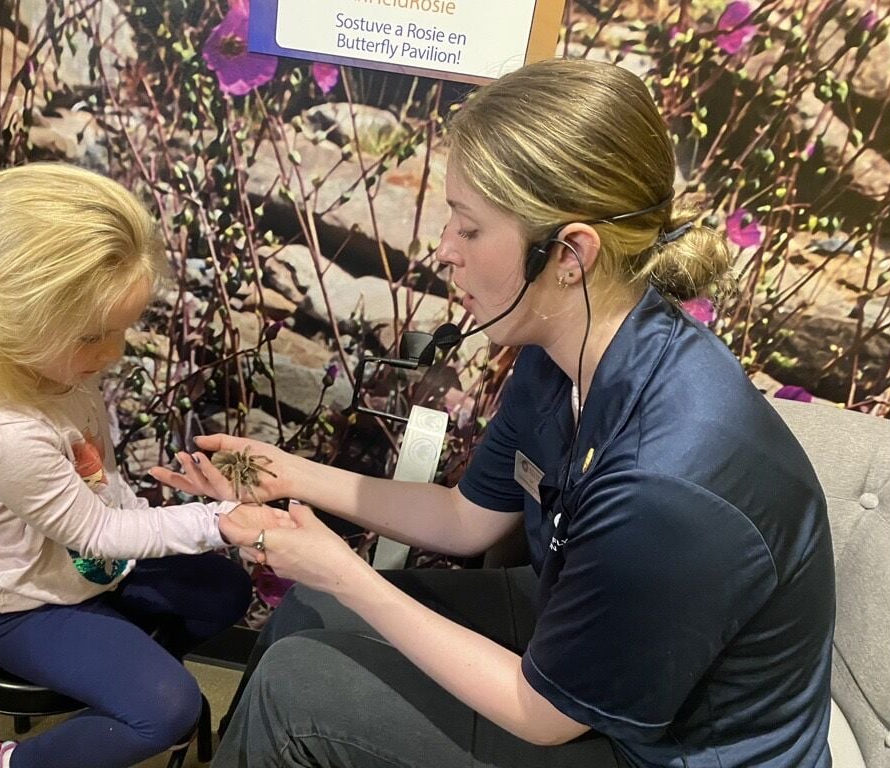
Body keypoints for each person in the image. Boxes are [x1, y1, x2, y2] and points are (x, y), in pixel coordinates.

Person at [153, 58, 836, 767]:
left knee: (296, 690)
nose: (443, 250)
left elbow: (542, 717)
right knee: (306, 613)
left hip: (663, 748)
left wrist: (338, 569)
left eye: (470, 229)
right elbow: (466, 519)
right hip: (575, 630)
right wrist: (287, 475)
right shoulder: (557, 354)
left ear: (569, 253)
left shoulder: (666, 485)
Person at [0, 163, 295, 768]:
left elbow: (99, 484)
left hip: (89, 571)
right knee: (168, 709)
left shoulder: (54, 368)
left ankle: (118, 678)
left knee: (222, 591)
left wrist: (152, 510)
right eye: (94, 336)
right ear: (6, 316)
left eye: (121, 331)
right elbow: (96, 531)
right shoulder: (4, 432)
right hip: (24, 608)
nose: (114, 354)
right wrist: (219, 520)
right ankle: (6, 763)